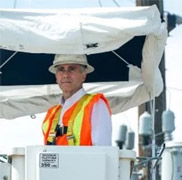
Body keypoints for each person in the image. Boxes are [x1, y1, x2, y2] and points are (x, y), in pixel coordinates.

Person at [42, 54, 112, 146]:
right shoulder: (52, 113)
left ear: (83, 76)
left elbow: (103, 150)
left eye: (72, 69)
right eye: (61, 69)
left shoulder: (95, 104)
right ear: (56, 77)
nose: (66, 75)